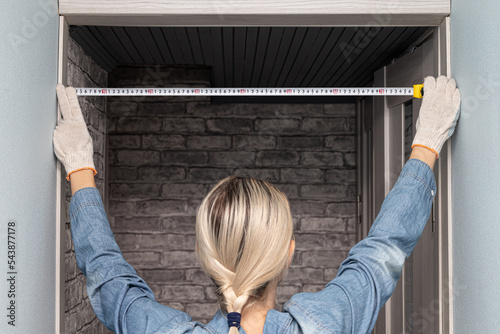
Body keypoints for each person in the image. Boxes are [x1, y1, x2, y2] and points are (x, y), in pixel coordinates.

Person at [53, 75, 461, 334]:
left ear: (204, 255)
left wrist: (79, 165)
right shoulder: (328, 324)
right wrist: (426, 142)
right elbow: (381, 252)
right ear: (289, 254)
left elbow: (110, 279)